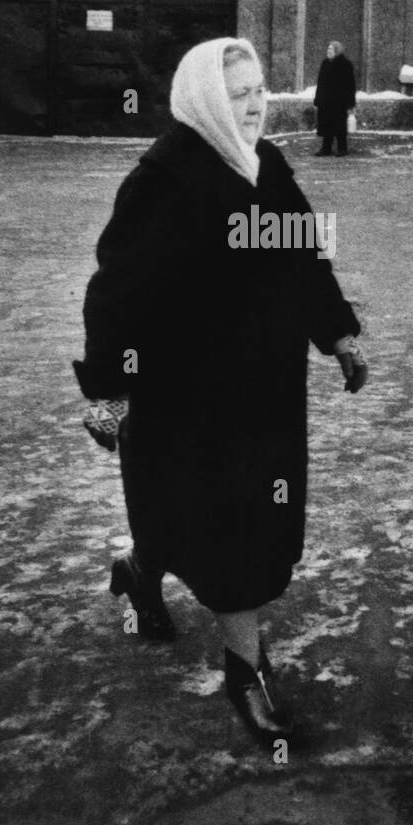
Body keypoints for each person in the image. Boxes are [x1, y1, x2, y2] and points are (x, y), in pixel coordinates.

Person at [73, 37, 368, 748]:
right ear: (206, 98)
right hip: (184, 402)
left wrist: (337, 334)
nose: (257, 102)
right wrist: (109, 391)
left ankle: (140, 575)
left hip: (262, 396)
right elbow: (114, 295)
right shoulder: (165, 179)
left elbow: (303, 261)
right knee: (212, 526)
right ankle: (246, 671)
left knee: (223, 527)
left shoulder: (265, 166)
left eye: (261, 88)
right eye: (239, 93)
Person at [314, 41, 357, 157]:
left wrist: (350, 103)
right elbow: (320, 83)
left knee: (340, 126)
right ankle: (326, 148)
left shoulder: (345, 65)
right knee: (326, 125)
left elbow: (351, 85)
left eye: (331, 50)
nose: (328, 52)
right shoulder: (325, 63)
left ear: (337, 51)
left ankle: (342, 148)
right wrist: (318, 99)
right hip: (325, 102)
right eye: (328, 49)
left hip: (339, 102)